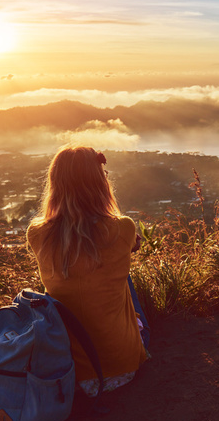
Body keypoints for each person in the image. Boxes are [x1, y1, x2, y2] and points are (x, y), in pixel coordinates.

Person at [26, 146, 148, 396]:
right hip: (122, 367)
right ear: (100, 182)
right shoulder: (123, 228)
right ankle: (139, 342)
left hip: (71, 374)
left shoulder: (37, 234)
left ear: (55, 184)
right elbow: (115, 242)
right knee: (124, 277)